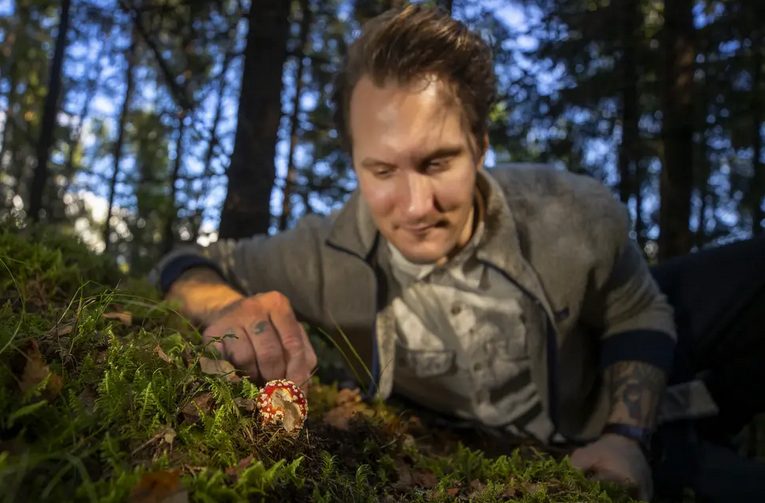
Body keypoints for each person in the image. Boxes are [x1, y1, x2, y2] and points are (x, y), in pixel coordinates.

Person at [150, 5, 765, 502]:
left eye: (438, 161)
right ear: (354, 163)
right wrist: (226, 307)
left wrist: (628, 434)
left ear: (481, 143)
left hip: (613, 394)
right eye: (382, 169)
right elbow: (190, 261)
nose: (415, 206)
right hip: (571, 456)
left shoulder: (572, 212)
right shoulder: (321, 253)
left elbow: (639, 312)